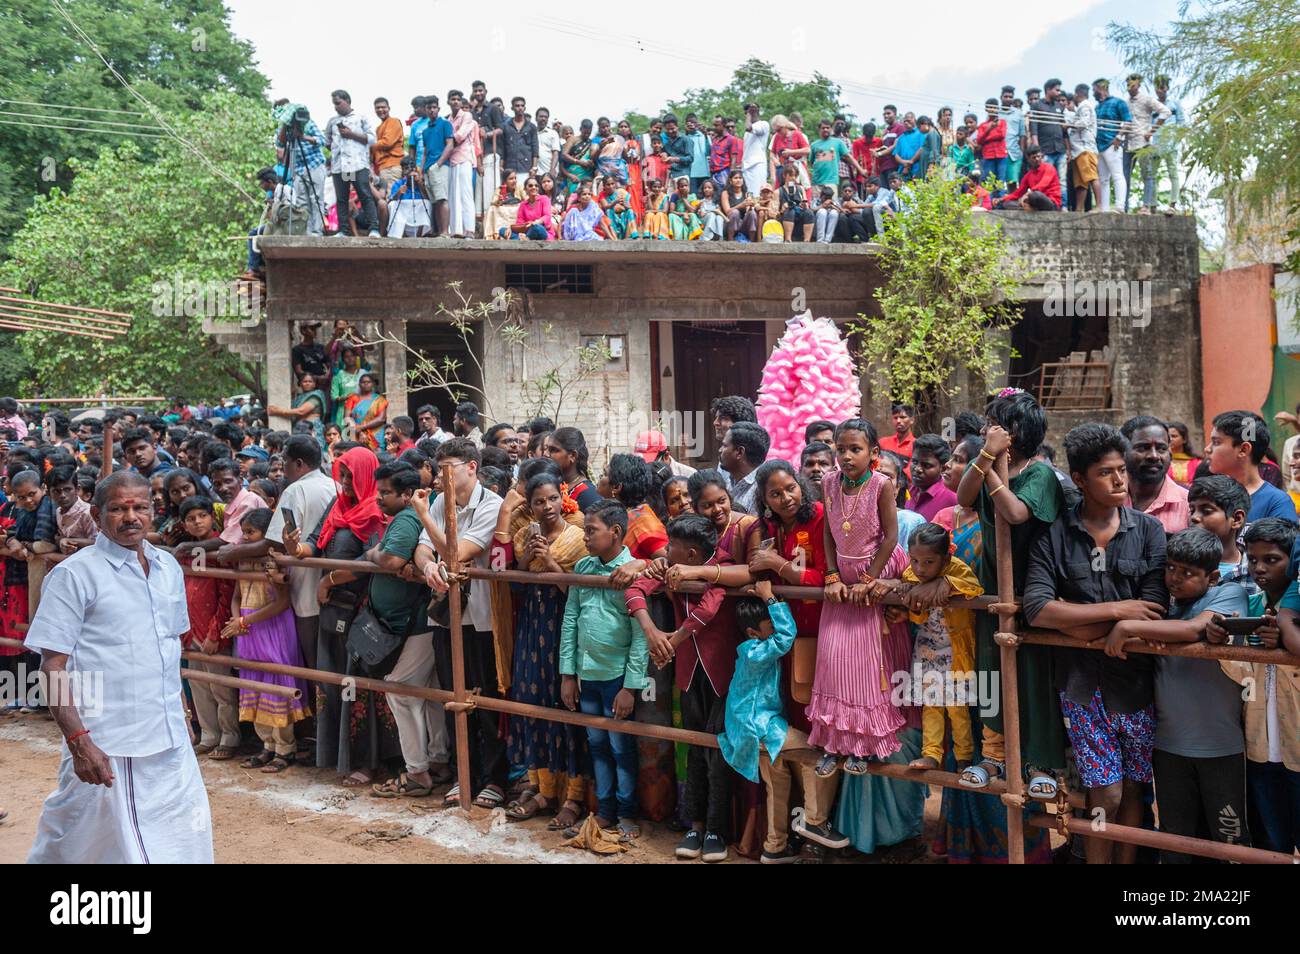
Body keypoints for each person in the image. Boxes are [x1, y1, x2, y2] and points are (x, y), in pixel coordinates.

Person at [26, 471, 213, 862]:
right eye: (118, 508)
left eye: (140, 507)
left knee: (181, 838)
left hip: (169, 736)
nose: (131, 517)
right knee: (78, 839)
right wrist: (80, 743)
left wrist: (183, 713)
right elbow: (52, 665)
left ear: (152, 510)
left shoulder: (168, 569)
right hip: (107, 741)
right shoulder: (74, 575)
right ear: (96, 513)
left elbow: (169, 648)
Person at [1022, 422, 1168, 865]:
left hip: (1137, 683)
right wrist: (1117, 612)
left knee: (1135, 790)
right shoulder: (1055, 534)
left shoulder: (1148, 531)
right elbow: (1037, 609)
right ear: (1081, 480)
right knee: (1104, 788)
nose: (1120, 480)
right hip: (1081, 685)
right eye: (1107, 473)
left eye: (1122, 470)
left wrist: (1077, 618)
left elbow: (1154, 611)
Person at [1105, 527, 1248, 861]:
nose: (1175, 578)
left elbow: (1191, 629)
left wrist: (1128, 627)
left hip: (1221, 747)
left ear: (1212, 577)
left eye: (1187, 573)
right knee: (1175, 842)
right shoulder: (1161, 604)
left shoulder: (1228, 595)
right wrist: (1149, 627)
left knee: (1229, 841)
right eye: (1170, 568)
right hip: (1167, 745)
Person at [955, 390, 1066, 802]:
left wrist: (995, 470)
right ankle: (993, 756)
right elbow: (965, 498)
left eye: (995, 424)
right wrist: (985, 458)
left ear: (1015, 432)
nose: (987, 430)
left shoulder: (1040, 475)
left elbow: (1016, 513)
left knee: (1032, 674)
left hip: (1030, 587)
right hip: (989, 585)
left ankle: (1039, 762)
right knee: (991, 671)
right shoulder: (983, 462)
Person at [625, 513, 733, 863]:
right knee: (693, 745)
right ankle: (695, 824)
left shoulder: (722, 566)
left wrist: (674, 639)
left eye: (672, 546)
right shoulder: (667, 565)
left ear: (690, 555)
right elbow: (635, 590)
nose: (665, 550)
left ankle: (717, 828)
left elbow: (709, 608)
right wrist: (651, 632)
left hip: (721, 672)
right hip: (688, 671)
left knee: (717, 750)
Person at [720, 578, 848, 864]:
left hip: (749, 730)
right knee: (816, 755)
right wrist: (771, 599)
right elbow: (786, 636)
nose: (774, 628)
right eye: (769, 625)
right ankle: (815, 820)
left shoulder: (748, 650)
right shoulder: (756, 651)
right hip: (760, 728)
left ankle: (773, 847)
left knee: (776, 782)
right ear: (753, 632)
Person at [412, 439, 506, 809]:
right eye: (439, 470)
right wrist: (428, 567)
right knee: (453, 698)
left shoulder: (492, 506)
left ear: (471, 467)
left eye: (448, 468)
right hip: (446, 619)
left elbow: (457, 552)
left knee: (487, 701)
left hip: (481, 619)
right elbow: (425, 549)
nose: (440, 477)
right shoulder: (438, 501)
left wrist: (424, 520)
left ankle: (494, 780)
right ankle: (461, 775)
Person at [811, 419, 908, 776]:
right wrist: (832, 574)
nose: (847, 457)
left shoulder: (881, 485)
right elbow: (828, 534)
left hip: (875, 573)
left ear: (874, 454)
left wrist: (869, 580)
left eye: (856, 449)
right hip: (842, 578)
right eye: (841, 449)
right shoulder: (828, 482)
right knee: (834, 663)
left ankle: (864, 747)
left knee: (866, 666)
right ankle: (834, 741)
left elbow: (891, 537)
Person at [360, 462, 453, 799]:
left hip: (417, 624)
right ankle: (438, 761)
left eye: (385, 492)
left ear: (406, 494)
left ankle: (417, 772)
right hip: (417, 622)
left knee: (399, 691)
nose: (379, 497)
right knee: (428, 692)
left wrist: (373, 552)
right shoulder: (409, 517)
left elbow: (390, 561)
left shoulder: (406, 519)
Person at [503, 471, 590, 828]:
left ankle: (573, 797)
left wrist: (551, 562)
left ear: (562, 497)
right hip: (531, 624)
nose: (547, 506)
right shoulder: (524, 535)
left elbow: (578, 592)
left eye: (552, 498)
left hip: (562, 624)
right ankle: (542, 789)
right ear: (530, 505)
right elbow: (518, 581)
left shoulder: (579, 538)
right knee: (533, 701)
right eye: (539, 501)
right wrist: (527, 560)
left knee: (563, 704)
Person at [558, 500, 645, 839]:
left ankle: (626, 814)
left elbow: (640, 635)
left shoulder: (632, 570)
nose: (585, 537)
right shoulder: (583, 565)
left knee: (621, 747)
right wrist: (568, 674)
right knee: (597, 743)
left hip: (617, 677)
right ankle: (604, 811)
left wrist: (631, 687)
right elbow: (570, 619)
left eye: (591, 531)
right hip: (586, 673)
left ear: (616, 532)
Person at [883, 522, 983, 772]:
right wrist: (909, 593)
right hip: (928, 649)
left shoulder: (958, 570)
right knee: (931, 706)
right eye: (915, 560)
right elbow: (917, 615)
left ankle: (964, 758)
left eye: (928, 562)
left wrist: (947, 583)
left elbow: (974, 587)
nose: (920, 568)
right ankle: (931, 754)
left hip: (956, 652)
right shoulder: (911, 575)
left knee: (957, 709)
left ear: (946, 557)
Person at [1228, 519, 1300, 854]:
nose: (1259, 568)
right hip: (1259, 745)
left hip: (1297, 745)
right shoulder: (1249, 606)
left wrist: (1285, 647)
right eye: (1252, 559)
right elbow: (1237, 673)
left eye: (1271, 559)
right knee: (1270, 842)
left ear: (1294, 560)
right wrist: (1223, 643)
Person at [222, 506, 310, 773]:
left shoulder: (275, 560)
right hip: (248, 629)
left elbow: (282, 602)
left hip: (272, 626)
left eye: (251, 533)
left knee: (275, 680)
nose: (246, 538)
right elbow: (237, 594)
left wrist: (244, 621)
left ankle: (286, 748)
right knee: (254, 682)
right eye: (244, 532)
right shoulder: (243, 560)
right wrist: (237, 620)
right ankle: (267, 745)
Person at [173, 495, 238, 760]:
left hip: (212, 630)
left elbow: (226, 594)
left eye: (202, 516)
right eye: (191, 519)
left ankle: (229, 736)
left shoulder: (221, 552)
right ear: (184, 524)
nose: (197, 522)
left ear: (212, 517)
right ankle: (209, 734)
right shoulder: (185, 553)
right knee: (199, 685)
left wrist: (215, 633)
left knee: (220, 686)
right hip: (191, 629)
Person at [1, 469, 58, 689]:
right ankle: (33, 691)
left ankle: (41, 692)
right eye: (22, 497)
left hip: (43, 572)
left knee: (42, 630)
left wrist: (22, 546)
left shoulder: (47, 508)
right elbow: (13, 534)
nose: (28, 500)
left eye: (31, 494)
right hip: (26, 574)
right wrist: (14, 543)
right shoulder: (22, 510)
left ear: (42, 489)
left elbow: (44, 544)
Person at [1207, 410, 1297, 522]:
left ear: (1244, 450)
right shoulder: (1207, 495)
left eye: (1216, 442)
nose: (1207, 449)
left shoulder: (1276, 502)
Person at [1122, 415, 1189, 533]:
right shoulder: (1105, 501)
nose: (1154, 456)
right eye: (1143, 448)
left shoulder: (1189, 505)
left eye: (1161, 448)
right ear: (1123, 452)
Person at [325, 90, 378, 237]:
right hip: (339, 166)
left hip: (357, 164)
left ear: (347, 101)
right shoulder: (332, 121)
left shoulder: (361, 118)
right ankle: (343, 230)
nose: (336, 107)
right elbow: (327, 142)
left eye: (338, 103)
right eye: (334, 104)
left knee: (365, 195)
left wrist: (351, 135)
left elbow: (372, 139)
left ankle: (374, 229)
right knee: (341, 198)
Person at [1186, 475, 1251, 585]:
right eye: (1192, 511)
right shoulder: (1177, 564)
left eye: (1206, 511)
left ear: (1236, 519)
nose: (1194, 517)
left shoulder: (1254, 572)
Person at [1124, 73, 1172, 214]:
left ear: (1138, 85)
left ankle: (1146, 206)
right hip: (1128, 144)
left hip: (1143, 143)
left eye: (1133, 84)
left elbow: (1165, 111)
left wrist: (1151, 131)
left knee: (1148, 175)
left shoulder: (1147, 99)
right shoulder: (1125, 102)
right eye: (1128, 84)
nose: (1130, 87)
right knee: (1124, 176)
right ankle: (1124, 207)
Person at [470, 81, 506, 230]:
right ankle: (482, 226)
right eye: (476, 91)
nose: (478, 93)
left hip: (491, 152)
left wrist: (487, 134)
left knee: (491, 190)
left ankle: (494, 226)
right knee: (479, 192)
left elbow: (501, 129)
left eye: (480, 90)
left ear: (485, 91)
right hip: (477, 156)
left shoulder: (493, 109)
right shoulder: (472, 112)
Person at [1093, 78, 1132, 213]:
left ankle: (1120, 206)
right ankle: (1104, 209)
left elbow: (1128, 122)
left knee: (1117, 175)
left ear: (1101, 88)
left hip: (1113, 144)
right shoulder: (1097, 107)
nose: (1094, 93)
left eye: (1095, 90)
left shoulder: (1118, 102)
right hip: (1099, 147)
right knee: (1103, 179)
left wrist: (1119, 137)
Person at [543, 426, 603, 510]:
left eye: (553, 450)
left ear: (572, 455)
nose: (546, 454)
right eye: (546, 449)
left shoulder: (589, 495)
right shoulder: (555, 484)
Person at [446, 89, 480, 238]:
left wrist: (446, 143)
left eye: (458, 99)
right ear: (448, 102)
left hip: (464, 158)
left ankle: (470, 230)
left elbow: (459, 136)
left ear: (461, 102)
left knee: (466, 194)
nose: (455, 102)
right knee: (453, 196)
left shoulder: (467, 116)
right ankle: (456, 230)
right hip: (451, 160)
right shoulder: (447, 120)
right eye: (452, 99)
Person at [719, 421, 769, 514]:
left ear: (739, 452)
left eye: (724, 446)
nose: (720, 450)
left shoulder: (764, 489)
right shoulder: (728, 482)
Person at [267, 372, 327, 449]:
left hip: (312, 427)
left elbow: (301, 411)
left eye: (310, 381)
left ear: (314, 384)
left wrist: (277, 411)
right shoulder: (299, 397)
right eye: (305, 382)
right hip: (299, 428)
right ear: (300, 384)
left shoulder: (315, 395)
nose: (307, 383)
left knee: (313, 450)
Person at [1066, 83, 1101, 212]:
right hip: (1078, 150)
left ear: (1077, 94)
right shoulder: (1081, 107)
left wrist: (1068, 125)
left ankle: (1099, 206)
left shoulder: (1085, 106)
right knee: (1080, 183)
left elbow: (1084, 123)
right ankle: (1078, 209)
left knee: (1092, 177)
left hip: (1085, 148)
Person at [47, 465, 97, 553]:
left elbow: (97, 542)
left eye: (67, 489)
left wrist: (68, 540)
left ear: (77, 489)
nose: (62, 495)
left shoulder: (87, 513)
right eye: (56, 491)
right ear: (48, 493)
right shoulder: (59, 511)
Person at [906, 434, 956, 520]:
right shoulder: (911, 490)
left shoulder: (951, 498)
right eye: (914, 462)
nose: (918, 469)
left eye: (926, 465)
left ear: (943, 468)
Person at [996, 146, 1061, 211]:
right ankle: (1029, 208)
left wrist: (1027, 195)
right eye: (1034, 157)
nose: (1037, 159)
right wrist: (1002, 199)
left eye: (1039, 156)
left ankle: (1029, 208)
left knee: (1035, 195)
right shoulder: (1028, 175)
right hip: (1033, 201)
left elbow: (1043, 184)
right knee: (1006, 203)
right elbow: (1018, 193)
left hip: (1051, 202)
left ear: (1041, 156)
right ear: (1028, 159)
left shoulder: (1049, 167)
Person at [344, 372, 388, 452]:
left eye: (368, 382)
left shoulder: (380, 400)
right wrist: (360, 432)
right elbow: (347, 417)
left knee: (377, 458)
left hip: (375, 435)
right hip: (355, 434)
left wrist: (361, 427)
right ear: (359, 384)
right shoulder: (353, 398)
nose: (366, 384)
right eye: (363, 382)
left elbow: (381, 419)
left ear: (373, 384)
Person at [371, 96, 406, 193]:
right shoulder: (378, 128)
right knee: (388, 197)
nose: (381, 110)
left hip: (392, 166)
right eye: (378, 108)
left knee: (392, 196)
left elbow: (387, 142)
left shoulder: (393, 121)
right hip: (383, 168)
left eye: (383, 107)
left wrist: (368, 144)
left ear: (389, 108)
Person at [1166, 420, 1201, 487]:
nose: (1170, 439)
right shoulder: (1162, 461)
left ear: (1184, 439)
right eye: (1168, 436)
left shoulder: (1197, 463)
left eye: (1174, 436)